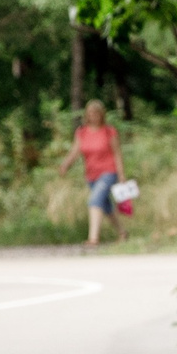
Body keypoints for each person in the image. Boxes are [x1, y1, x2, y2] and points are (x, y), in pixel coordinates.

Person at [67, 101, 126, 246]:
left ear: (102, 114)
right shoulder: (82, 132)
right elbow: (75, 151)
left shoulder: (109, 131)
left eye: (96, 113)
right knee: (106, 207)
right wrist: (65, 165)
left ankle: (93, 238)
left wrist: (122, 174)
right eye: (91, 113)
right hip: (91, 175)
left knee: (94, 201)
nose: (93, 116)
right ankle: (122, 233)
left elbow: (117, 154)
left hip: (108, 171)